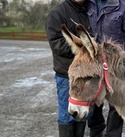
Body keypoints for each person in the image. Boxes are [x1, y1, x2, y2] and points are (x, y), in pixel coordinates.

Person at [86, 0, 125, 137]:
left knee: (117, 105)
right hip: (95, 63)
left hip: (117, 65)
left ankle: (113, 134)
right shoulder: (88, 3)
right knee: (94, 99)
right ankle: (95, 131)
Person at [45, 0, 92, 136]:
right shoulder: (57, 14)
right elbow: (56, 43)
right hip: (67, 75)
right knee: (67, 114)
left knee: (81, 111)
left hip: (85, 73)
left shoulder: (90, 10)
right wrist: (84, 49)